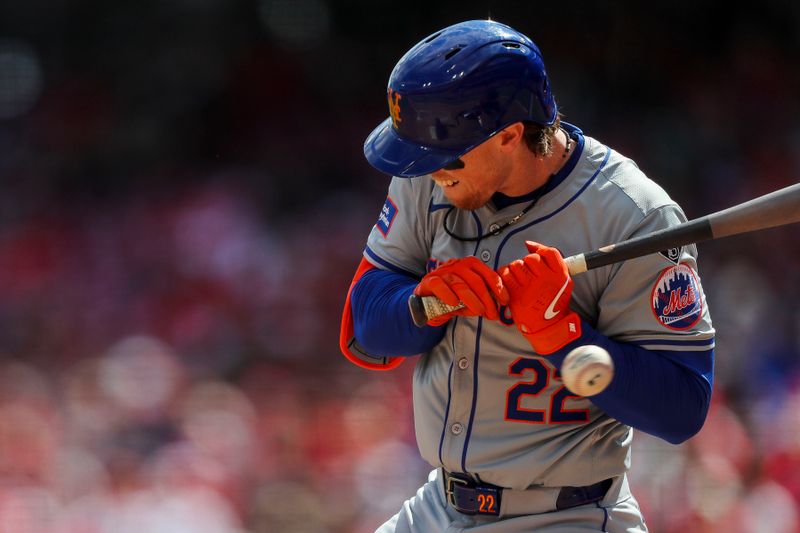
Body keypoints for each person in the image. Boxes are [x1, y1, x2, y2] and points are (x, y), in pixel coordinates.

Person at [339, 19, 714, 532]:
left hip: (568, 514)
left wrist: (561, 334)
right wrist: (426, 303)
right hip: (439, 506)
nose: (429, 172)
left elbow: (683, 408)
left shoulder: (634, 216)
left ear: (511, 134)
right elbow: (367, 320)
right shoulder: (430, 176)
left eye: (444, 159)